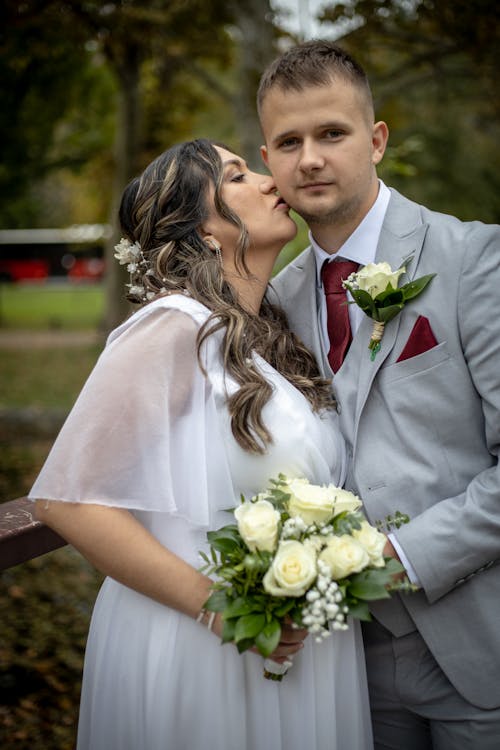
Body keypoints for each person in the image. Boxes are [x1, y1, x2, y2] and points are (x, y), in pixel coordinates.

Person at [29, 138, 373, 750]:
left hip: (296, 641)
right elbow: (68, 499)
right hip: (202, 647)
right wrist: (221, 608)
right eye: (240, 176)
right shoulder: (173, 327)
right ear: (204, 230)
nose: (272, 181)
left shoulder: (273, 336)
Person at [257, 39, 500, 750]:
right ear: (268, 160)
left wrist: (398, 556)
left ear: (377, 139)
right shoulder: (275, 300)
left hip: (476, 643)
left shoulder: (475, 260)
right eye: (288, 141)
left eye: (332, 133)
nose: (311, 158)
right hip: (340, 667)